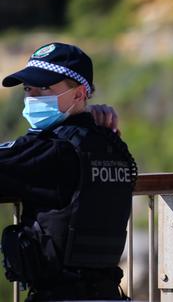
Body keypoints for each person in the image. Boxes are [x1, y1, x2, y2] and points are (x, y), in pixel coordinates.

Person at [0, 42, 137, 301]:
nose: (32, 98)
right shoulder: (113, 146)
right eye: (29, 89)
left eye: (45, 88)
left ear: (79, 94)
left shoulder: (51, 150)